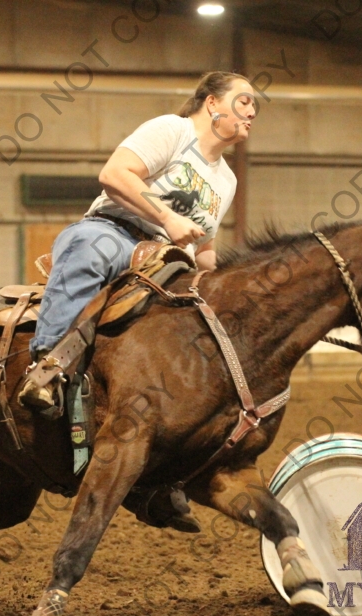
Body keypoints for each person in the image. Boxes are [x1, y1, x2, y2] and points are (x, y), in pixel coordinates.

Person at [18, 71, 257, 409]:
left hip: (172, 262)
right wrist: (168, 218)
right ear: (212, 103)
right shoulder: (173, 130)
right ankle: (48, 367)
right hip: (116, 232)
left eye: (254, 107)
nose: (251, 112)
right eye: (244, 102)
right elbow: (115, 174)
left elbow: (204, 247)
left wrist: (228, 289)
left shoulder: (227, 181)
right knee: (89, 250)